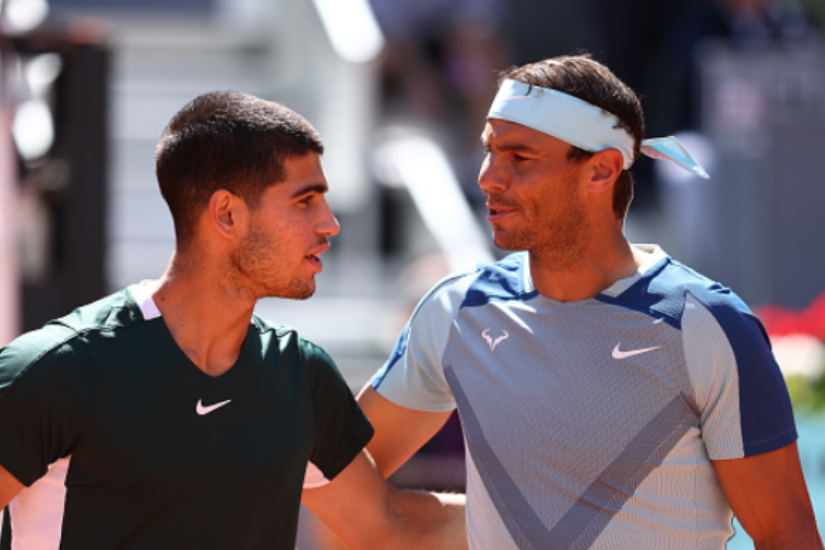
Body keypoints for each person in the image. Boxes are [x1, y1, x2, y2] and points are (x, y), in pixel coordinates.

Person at [358, 54, 824, 549]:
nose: (488, 177)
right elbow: (339, 471)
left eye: (520, 157)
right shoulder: (454, 311)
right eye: (490, 151)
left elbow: (784, 534)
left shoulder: (707, 324)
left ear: (601, 171)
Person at [0, 90, 466, 550]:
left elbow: (394, 524)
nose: (330, 224)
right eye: (305, 201)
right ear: (226, 214)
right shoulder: (60, 369)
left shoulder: (301, 377)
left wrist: (534, 505)